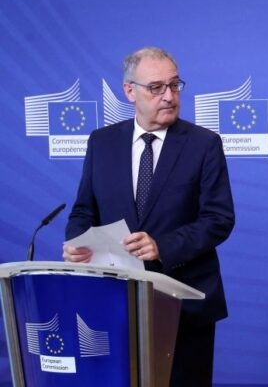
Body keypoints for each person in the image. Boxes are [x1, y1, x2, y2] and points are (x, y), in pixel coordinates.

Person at [63, 47, 235, 386]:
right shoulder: (102, 143)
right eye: (156, 87)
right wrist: (76, 243)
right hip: (114, 307)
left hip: (184, 305)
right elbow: (84, 210)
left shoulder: (204, 144)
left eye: (175, 85)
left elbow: (219, 218)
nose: (169, 96)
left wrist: (163, 246)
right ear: (130, 91)